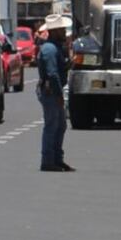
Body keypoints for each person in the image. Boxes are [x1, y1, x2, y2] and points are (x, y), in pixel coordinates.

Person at [37, 14, 74, 172]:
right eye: (62, 29)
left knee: (60, 125)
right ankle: (48, 160)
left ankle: (56, 159)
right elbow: (52, 74)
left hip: (52, 90)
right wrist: (59, 95)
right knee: (53, 125)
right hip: (51, 91)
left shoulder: (54, 47)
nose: (65, 32)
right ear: (55, 31)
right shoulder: (50, 49)